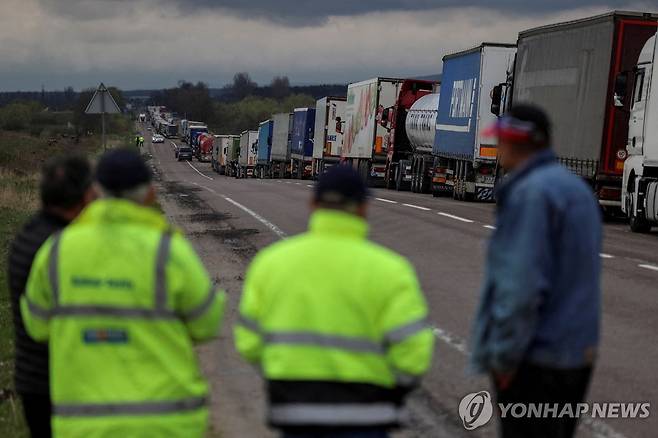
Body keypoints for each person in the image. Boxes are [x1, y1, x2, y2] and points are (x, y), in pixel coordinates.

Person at [21, 148, 225, 438]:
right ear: (150, 194)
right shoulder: (168, 250)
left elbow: (37, 326)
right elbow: (207, 324)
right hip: (166, 422)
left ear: (94, 192)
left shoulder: (56, 250)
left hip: (84, 423)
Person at [234, 165, 435, 438]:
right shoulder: (392, 270)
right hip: (368, 416)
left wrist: (283, 377)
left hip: (294, 413)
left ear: (313, 204)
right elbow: (413, 352)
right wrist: (392, 390)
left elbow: (249, 341)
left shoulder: (271, 263)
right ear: (363, 208)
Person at [470, 105, 602, 438]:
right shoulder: (578, 192)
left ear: (514, 142)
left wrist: (503, 357)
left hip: (535, 358)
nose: (498, 149)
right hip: (577, 354)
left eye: (500, 141)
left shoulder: (529, 194)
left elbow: (521, 288)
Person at [8, 155, 95, 438]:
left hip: (32, 378)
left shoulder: (30, 233)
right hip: (62, 380)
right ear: (83, 196)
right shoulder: (63, 248)